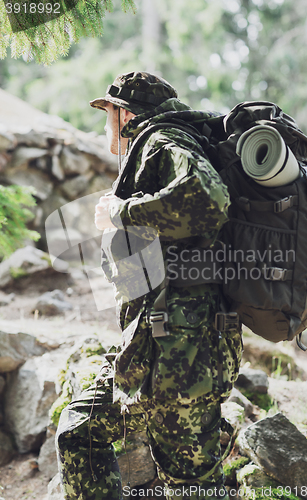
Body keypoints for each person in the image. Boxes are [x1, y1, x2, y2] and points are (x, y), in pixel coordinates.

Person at [55, 71, 243, 500]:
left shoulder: (162, 142)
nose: (106, 124)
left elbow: (209, 199)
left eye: (107, 113)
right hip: (160, 342)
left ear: (123, 114)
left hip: (183, 350)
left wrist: (122, 212)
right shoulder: (157, 145)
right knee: (80, 431)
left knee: (192, 486)